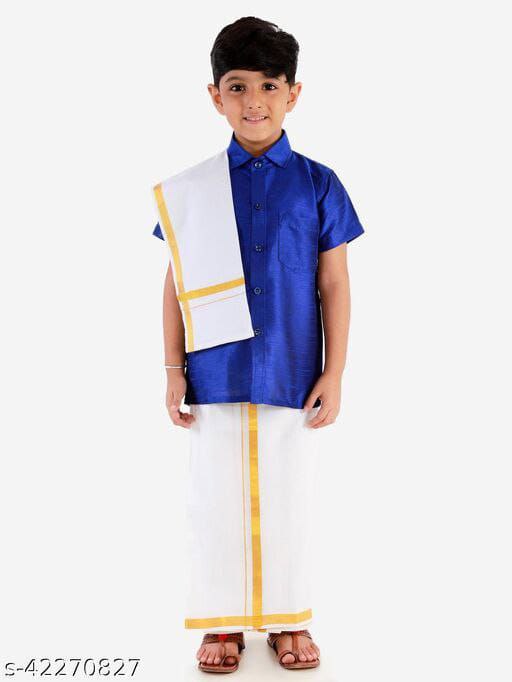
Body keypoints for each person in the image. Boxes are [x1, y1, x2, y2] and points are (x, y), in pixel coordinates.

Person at [151, 16, 364, 673]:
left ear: (293, 94)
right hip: (214, 369)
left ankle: (286, 617)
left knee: (289, 497)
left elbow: (334, 283)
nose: (254, 101)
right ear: (215, 95)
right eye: (237, 86)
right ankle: (221, 624)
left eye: (269, 85)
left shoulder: (319, 183)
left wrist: (335, 371)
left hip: (292, 369)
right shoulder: (193, 191)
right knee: (213, 499)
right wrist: (173, 369)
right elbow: (175, 282)